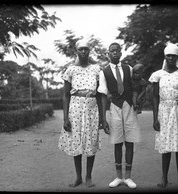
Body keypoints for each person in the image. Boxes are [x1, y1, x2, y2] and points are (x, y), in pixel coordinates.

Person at [149, 43, 178, 189]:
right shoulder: (158, 75)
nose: (171, 58)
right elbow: (155, 97)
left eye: (173, 55)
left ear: (177, 57)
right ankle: (164, 178)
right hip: (164, 111)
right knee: (166, 145)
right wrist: (155, 117)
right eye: (168, 55)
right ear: (165, 56)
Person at [58, 39, 102, 188]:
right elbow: (65, 95)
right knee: (76, 142)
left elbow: (101, 93)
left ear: (89, 51)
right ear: (77, 51)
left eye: (86, 49)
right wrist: (65, 118)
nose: (83, 51)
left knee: (91, 141)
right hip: (75, 108)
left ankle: (89, 176)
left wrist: (103, 117)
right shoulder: (70, 70)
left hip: (91, 108)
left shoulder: (96, 69)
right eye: (81, 49)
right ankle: (78, 177)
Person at [98, 42, 141, 189]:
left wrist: (137, 100)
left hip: (129, 107)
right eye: (112, 51)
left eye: (117, 50)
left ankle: (128, 177)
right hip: (115, 107)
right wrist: (103, 119)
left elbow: (136, 86)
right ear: (108, 54)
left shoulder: (128, 68)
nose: (115, 53)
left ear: (121, 53)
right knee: (117, 142)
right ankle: (118, 177)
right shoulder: (104, 72)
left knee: (129, 142)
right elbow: (103, 95)